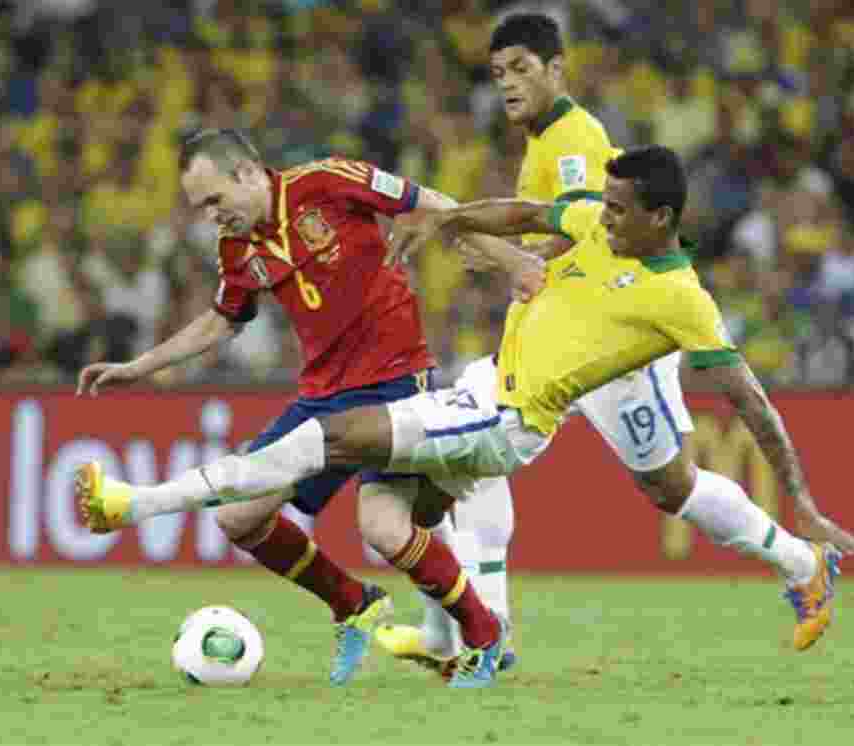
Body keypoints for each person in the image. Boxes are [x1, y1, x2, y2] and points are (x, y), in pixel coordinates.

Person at [78, 146, 854, 688]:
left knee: (663, 487)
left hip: (509, 413)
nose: (604, 216)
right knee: (392, 519)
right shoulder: (597, 217)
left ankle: (136, 503)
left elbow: (750, 399)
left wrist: (802, 498)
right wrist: (453, 224)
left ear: (660, 220)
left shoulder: (681, 299)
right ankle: (473, 637)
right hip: (486, 385)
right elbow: (523, 211)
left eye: (622, 209)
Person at [75, 128, 537, 689]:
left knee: (385, 529)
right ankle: (354, 604)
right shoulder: (238, 250)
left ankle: (485, 637)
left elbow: (435, 204)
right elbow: (223, 320)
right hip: (320, 400)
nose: (211, 217)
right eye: (201, 208)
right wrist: (139, 367)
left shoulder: (328, 182)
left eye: (216, 200)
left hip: (395, 386)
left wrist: (514, 264)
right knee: (238, 517)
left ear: (248, 173)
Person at [375, 11, 684, 676]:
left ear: (555, 69)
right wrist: (506, 257)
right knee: (463, 457)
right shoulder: (545, 139)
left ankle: (482, 630)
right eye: (497, 74)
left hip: (578, 333)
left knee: (469, 452)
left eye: (520, 69)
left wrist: (517, 257)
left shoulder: (573, 137)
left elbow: (579, 230)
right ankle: (466, 631)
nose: (507, 84)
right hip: (558, 328)